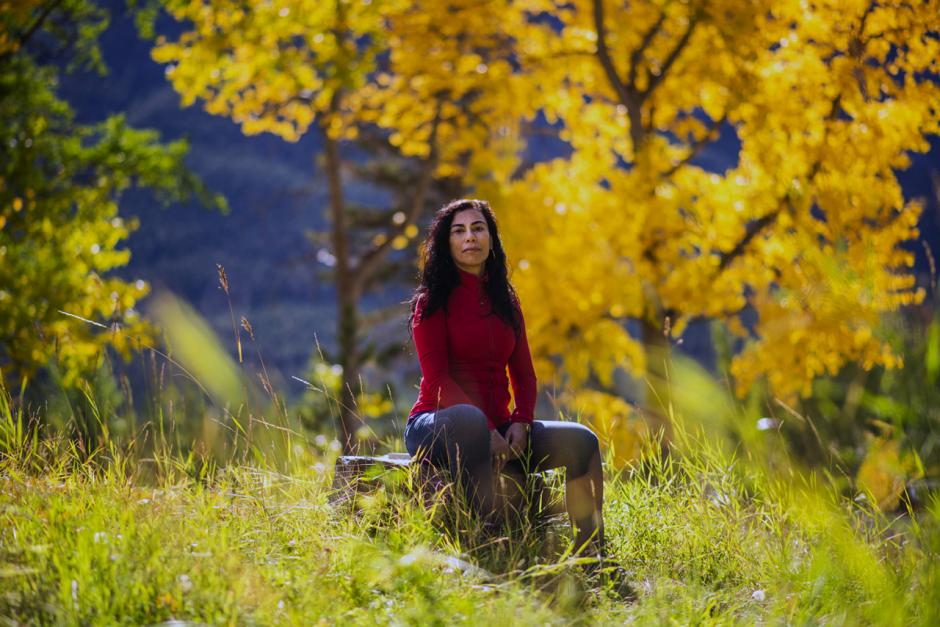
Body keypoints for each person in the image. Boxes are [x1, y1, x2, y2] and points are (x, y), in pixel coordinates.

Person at [404, 198, 608, 559]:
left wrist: (522, 423)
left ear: (491, 239)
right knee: (468, 419)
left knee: (584, 441)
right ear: (446, 243)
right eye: (459, 231)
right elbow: (436, 380)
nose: (470, 237)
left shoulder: (506, 301)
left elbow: (525, 374)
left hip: (501, 429)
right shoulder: (431, 301)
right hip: (438, 424)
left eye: (478, 228)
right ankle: (484, 547)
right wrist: (485, 431)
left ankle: (592, 554)